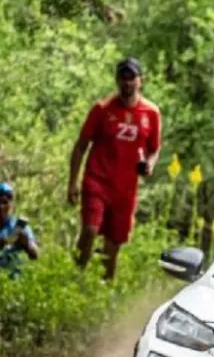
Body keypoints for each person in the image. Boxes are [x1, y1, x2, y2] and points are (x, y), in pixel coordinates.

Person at [67, 57, 161, 281]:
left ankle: (104, 288)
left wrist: (149, 164)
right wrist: (73, 182)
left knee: (113, 244)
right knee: (90, 229)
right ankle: (75, 277)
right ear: (117, 80)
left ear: (141, 81)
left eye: (132, 78)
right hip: (97, 180)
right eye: (123, 78)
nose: (127, 83)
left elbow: (154, 148)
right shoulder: (102, 109)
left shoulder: (151, 113)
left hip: (125, 188)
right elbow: (81, 146)